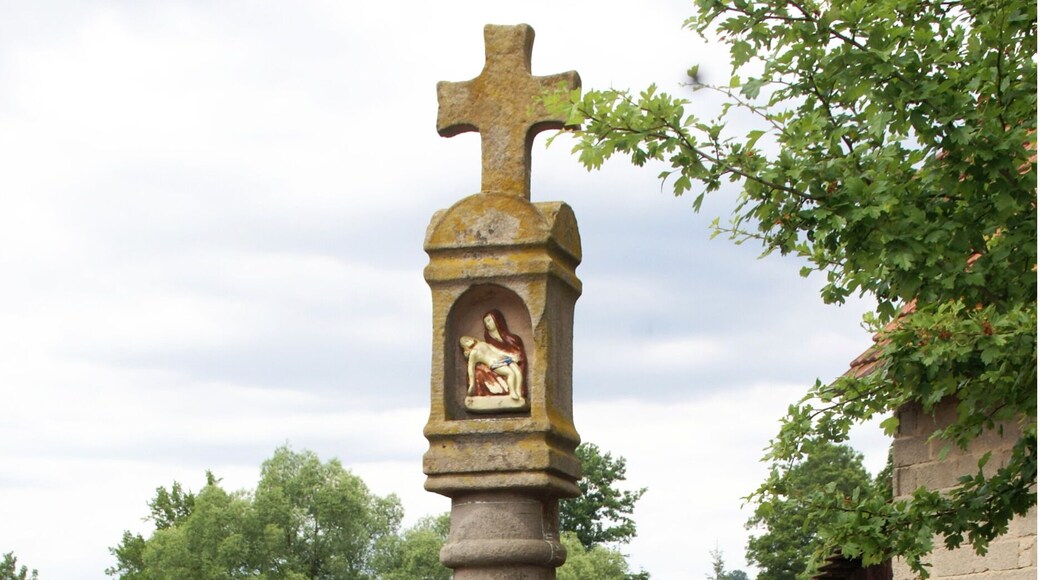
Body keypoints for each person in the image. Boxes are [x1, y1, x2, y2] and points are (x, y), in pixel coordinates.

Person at [459, 336, 523, 400]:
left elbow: (497, 351)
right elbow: (471, 369)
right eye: (466, 341)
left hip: (504, 358)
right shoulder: (473, 354)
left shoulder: (482, 344)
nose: (469, 341)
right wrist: (472, 384)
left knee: (518, 372)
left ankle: (518, 391)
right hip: (495, 363)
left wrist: (510, 356)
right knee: (510, 373)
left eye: (468, 339)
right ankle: (513, 393)